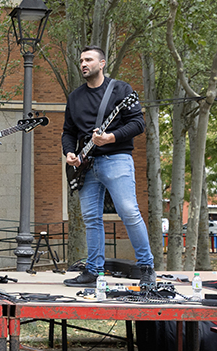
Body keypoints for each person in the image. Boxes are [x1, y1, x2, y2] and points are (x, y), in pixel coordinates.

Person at [62, 45, 156, 288]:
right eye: (81, 60)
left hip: (116, 159)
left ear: (102, 63)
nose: (83, 64)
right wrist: (69, 153)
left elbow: (138, 124)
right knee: (91, 218)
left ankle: (146, 268)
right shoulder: (74, 98)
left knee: (128, 211)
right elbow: (68, 132)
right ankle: (93, 270)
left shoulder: (122, 90)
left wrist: (110, 138)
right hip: (85, 165)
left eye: (89, 60)